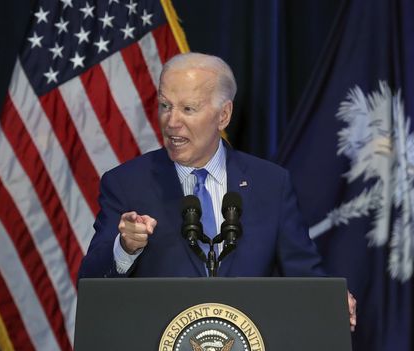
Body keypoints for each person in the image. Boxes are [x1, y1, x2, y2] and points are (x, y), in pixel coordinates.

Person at [79, 52, 356, 330]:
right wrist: (125, 248)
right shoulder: (126, 184)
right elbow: (90, 283)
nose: (171, 121)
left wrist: (329, 300)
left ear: (223, 115)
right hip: (160, 350)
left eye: (188, 109)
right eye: (165, 105)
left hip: (252, 350)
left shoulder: (271, 184)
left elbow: (303, 272)